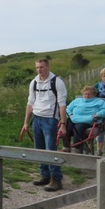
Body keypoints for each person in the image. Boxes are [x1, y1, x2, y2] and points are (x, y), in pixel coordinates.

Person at [22, 58, 68, 192]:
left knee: (50, 149)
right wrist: (26, 122)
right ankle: (45, 175)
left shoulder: (57, 82)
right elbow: (30, 102)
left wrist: (63, 123)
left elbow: (62, 104)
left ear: (47, 67)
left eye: (41, 67)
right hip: (37, 118)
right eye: (37, 67)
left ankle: (56, 179)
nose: (39, 70)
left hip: (50, 120)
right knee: (39, 149)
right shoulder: (34, 82)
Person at [65, 85, 105, 153]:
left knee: (79, 126)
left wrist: (97, 114)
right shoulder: (77, 100)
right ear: (83, 93)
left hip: (90, 121)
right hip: (74, 118)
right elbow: (68, 108)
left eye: (89, 94)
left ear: (94, 94)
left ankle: (76, 148)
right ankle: (66, 146)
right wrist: (70, 114)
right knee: (67, 123)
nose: (87, 95)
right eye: (85, 93)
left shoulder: (99, 102)